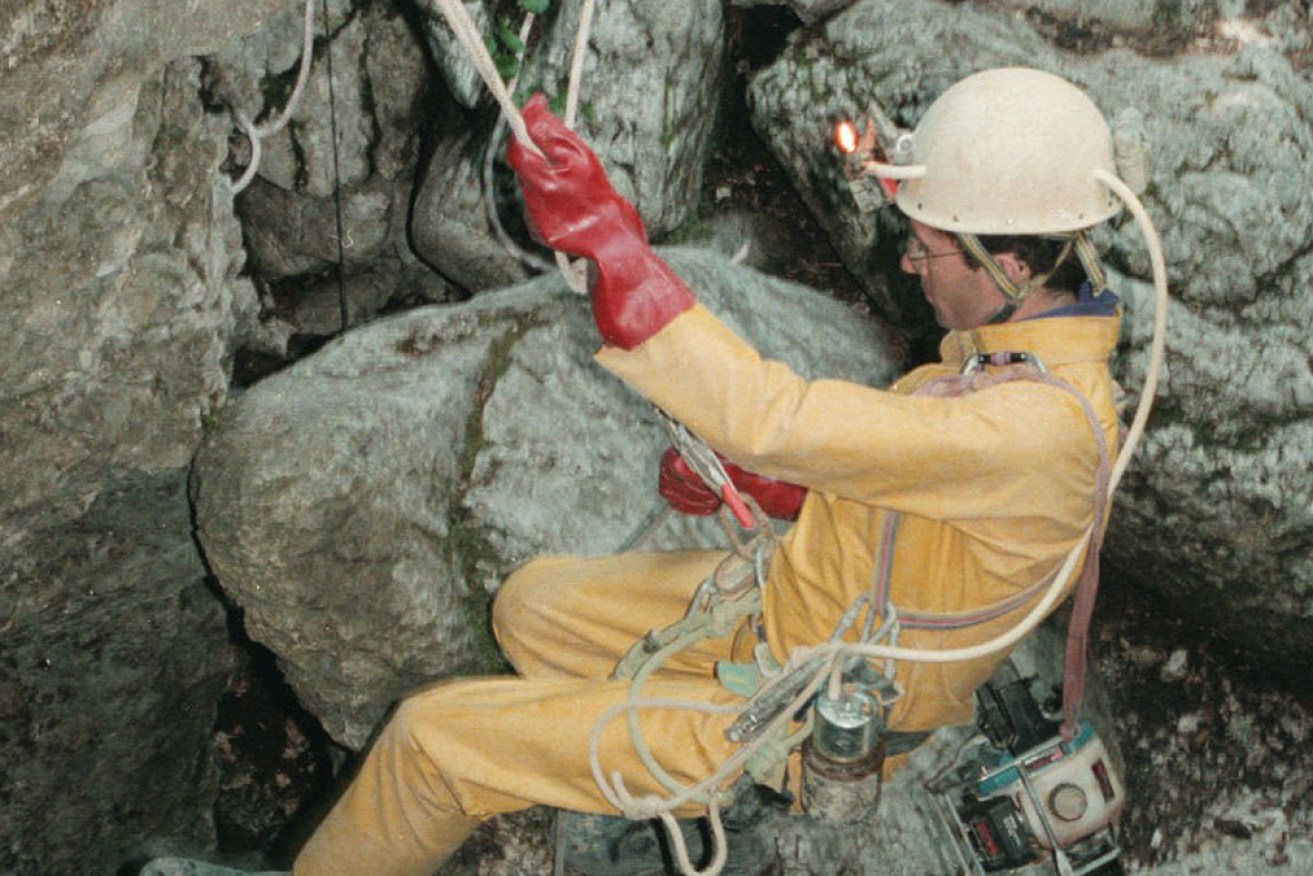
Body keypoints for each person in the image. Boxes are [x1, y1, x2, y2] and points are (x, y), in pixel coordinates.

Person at [289, 67, 1133, 876]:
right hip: (796, 612)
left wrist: (616, 253)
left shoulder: (1031, 426)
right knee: (529, 610)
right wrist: (775, 493)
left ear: (1011, 266)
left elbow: (773, 418)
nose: (908, 266)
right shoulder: (1013, 361)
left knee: (430, 742)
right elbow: (916, 493)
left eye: (925, 249)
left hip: (798, 702)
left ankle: (717, 784)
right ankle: (627, 774)